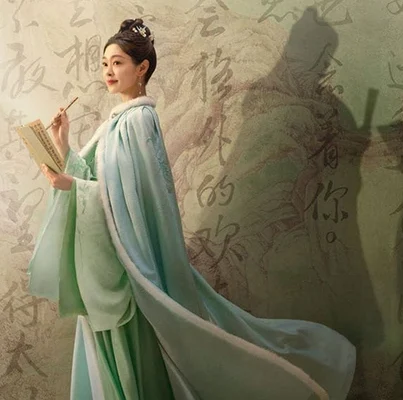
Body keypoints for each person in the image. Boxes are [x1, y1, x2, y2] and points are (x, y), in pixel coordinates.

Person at [28, 18, 355, 400]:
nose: (109, 72)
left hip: (130, 264)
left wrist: (74, 187)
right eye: (104, 64)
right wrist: (63, 143)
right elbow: (103, 182)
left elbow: (134, 198)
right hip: (108, 261)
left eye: (117, 63)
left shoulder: (138, 121)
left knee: (142, 364)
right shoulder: (116, 122)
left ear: (142, 67)